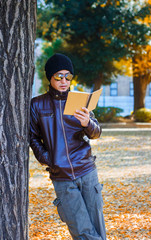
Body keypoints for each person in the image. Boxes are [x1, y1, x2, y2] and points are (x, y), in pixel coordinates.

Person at [29, 53, 106, 240]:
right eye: (59, 76)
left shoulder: (80, 100)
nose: (64, 81)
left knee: (97, 227)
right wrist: (49, 159)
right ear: (50, 77)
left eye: (68, 76)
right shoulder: (38, 105)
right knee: (81, 230)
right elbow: (32, 137)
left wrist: (87, 122)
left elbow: (96, 133)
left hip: (87, 171)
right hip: (61, 176)